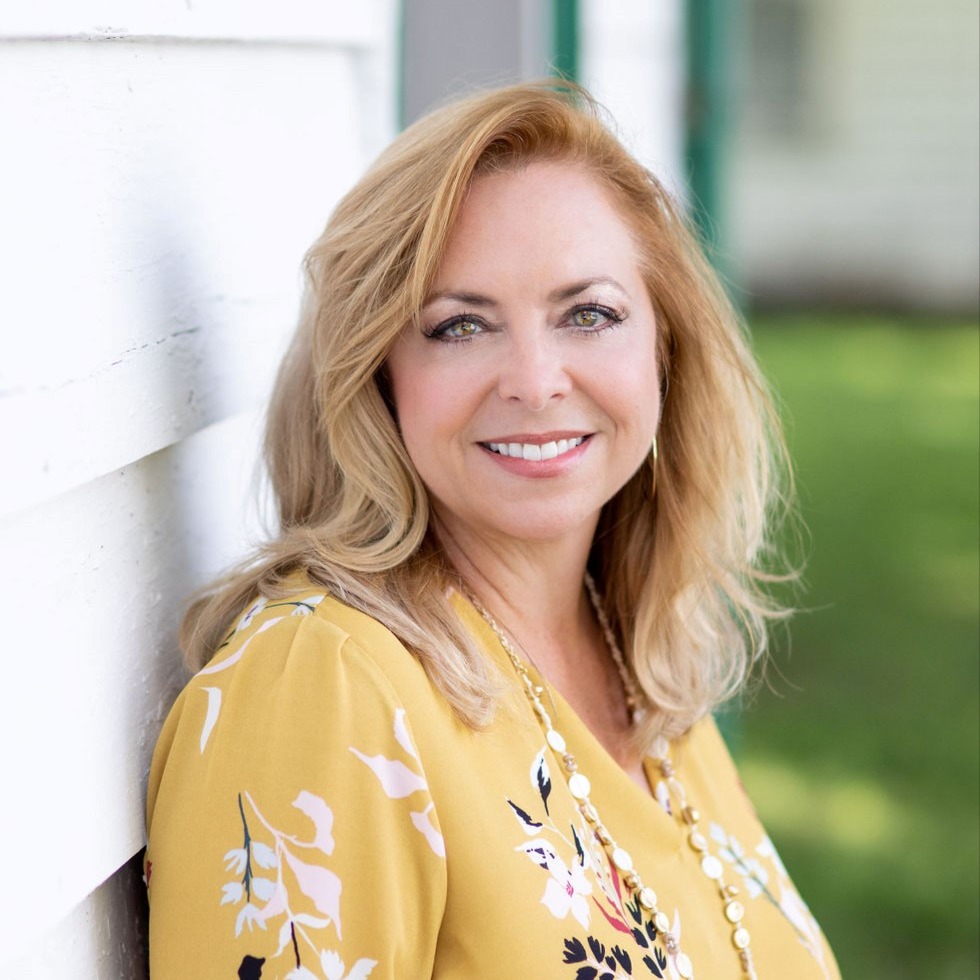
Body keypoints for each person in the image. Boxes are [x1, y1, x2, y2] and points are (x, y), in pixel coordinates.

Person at [145, 82, 840, 980]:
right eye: (461, 325)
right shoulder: (324, 686)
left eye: (587, 313)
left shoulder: (640, 656)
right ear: (378, 375)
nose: (535, 379)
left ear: (665, 348)